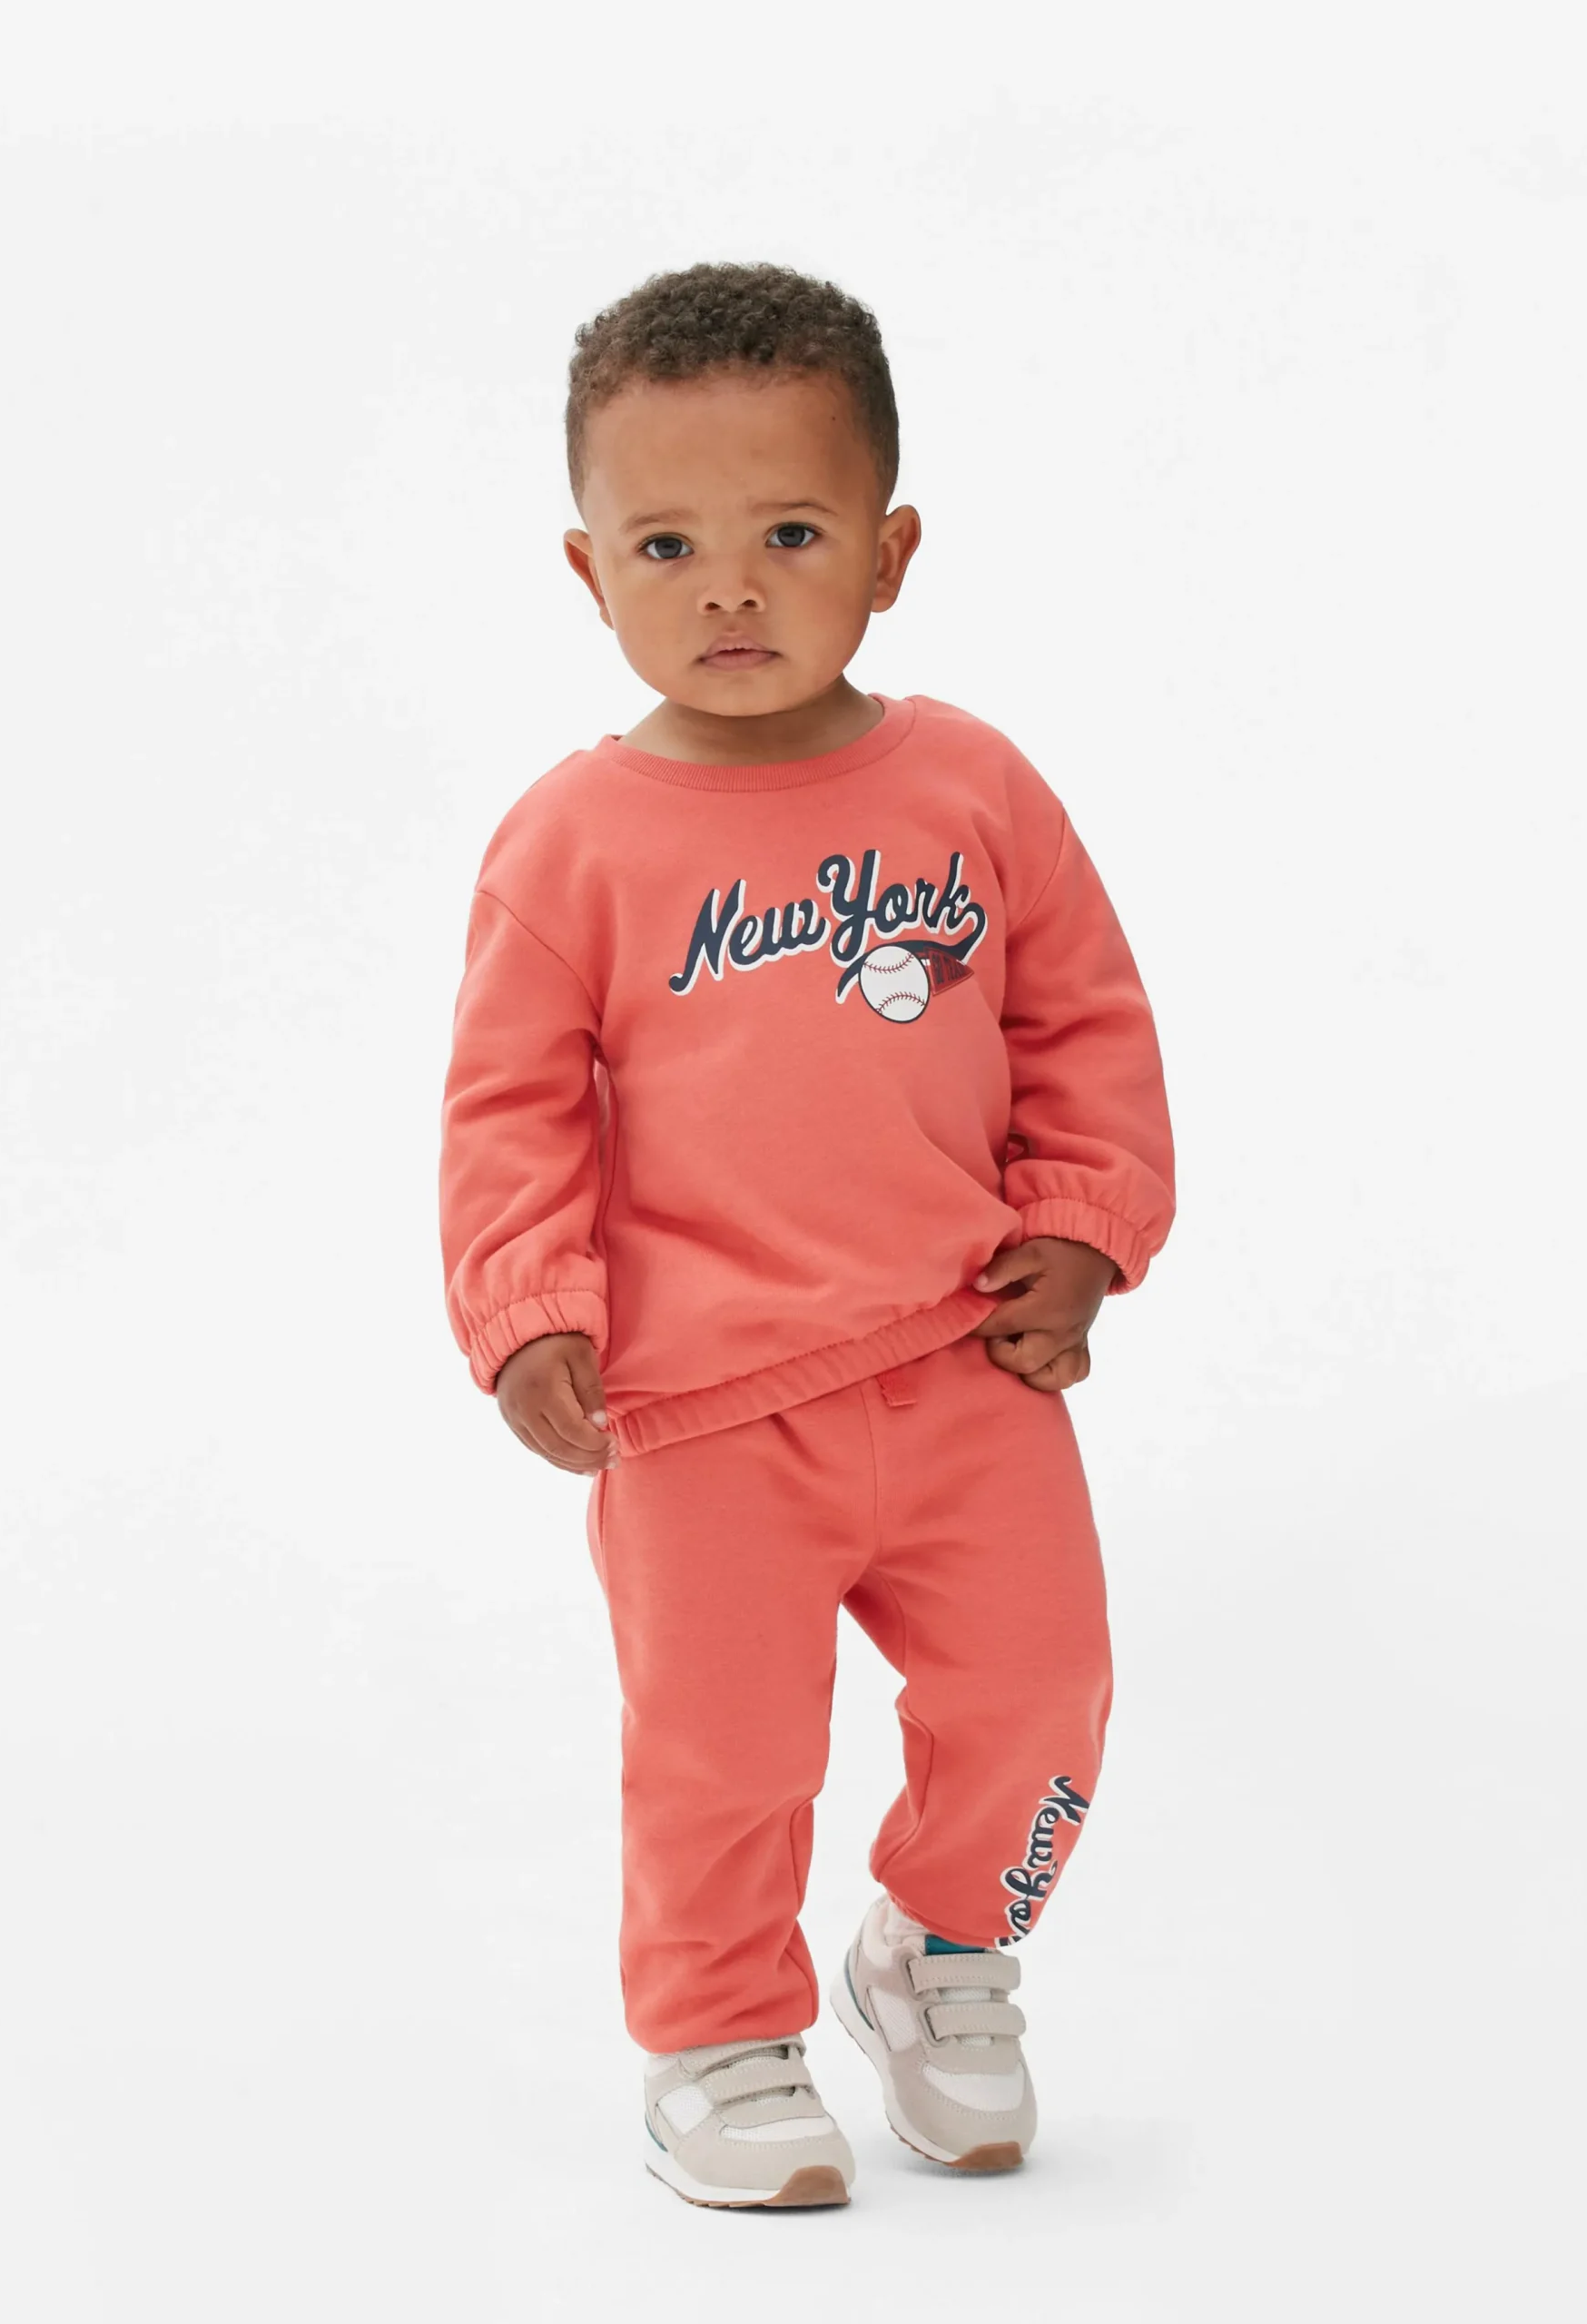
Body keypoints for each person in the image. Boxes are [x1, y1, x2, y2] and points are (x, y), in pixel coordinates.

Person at [438, 260, 1177, 2210]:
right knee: (725, 1752)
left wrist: (1084, 1226)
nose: (731, 589)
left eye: (789, 532)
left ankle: (943, 1943)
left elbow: (1084, 1021)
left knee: (1045, 1697)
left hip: (965, 1360)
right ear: (590, 573)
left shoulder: (971, 788)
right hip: (700, 1413)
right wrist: (528, 1309)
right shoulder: (571, 844)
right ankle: (716, 2034)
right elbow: (508, 1103)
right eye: (666, 545)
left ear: (890, 552)